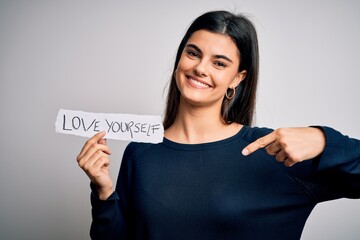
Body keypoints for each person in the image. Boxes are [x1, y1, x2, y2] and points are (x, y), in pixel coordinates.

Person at [76, 10, 360, 239]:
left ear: (237, 78)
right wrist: (103, 193)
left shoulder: (274, 152)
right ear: (180, 59)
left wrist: (324, 140)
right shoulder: (140, 153)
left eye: (220, 63)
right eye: (193, 53)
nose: (200, 68)